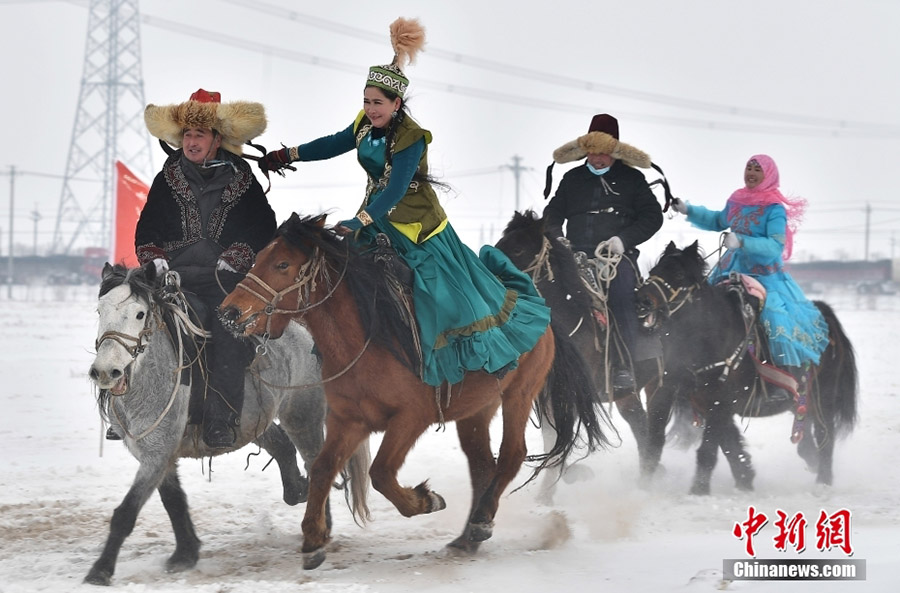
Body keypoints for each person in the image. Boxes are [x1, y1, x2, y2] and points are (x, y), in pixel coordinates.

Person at [261, 17, 550, 387]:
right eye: (366, 101)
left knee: (437, 298)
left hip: (418, 226)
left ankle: (433, 361)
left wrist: (359, 220)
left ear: (396, 103)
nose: (370, 109)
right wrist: (289, 154)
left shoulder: (412, 137)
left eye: (378, 103)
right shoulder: (363, 125)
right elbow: (333, 142)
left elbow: (396, 189)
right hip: (375, 219)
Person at [136, 89, 277, 448]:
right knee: (132, 322)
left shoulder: (243, 179)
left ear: (217, 140)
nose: (191, 141)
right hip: (173, 280)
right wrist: (153, 255)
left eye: (199, 134)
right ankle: (131, 410)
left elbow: (263, 227)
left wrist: (240, 254)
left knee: (228, 333)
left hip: (224, 283)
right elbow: (147, 226)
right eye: (187, 134)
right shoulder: (166, 178)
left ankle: (220, 420)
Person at [671, 154, 829, 403]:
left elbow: (775, 247)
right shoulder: (737, 200)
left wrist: (742, 241)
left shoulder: (775, 209)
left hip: (764, 276)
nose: (751, 173)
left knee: (771, 320)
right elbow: (716, 220)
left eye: (758, 169)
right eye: (749, 168)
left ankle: (777, 380)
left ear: (768, 175)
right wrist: (688, 209)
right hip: (730, 271)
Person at [543, 114, 664, 394]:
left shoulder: (633, 179)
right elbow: (552, 214)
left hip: (615, 259)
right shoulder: (572, 178)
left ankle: (623, 365)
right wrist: (557, 238)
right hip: (572, 256)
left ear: (615, 152)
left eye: (604, 153)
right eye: (592, 152)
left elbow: (652, 216)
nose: (597, 159)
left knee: (620, 296)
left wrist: (623, 240)